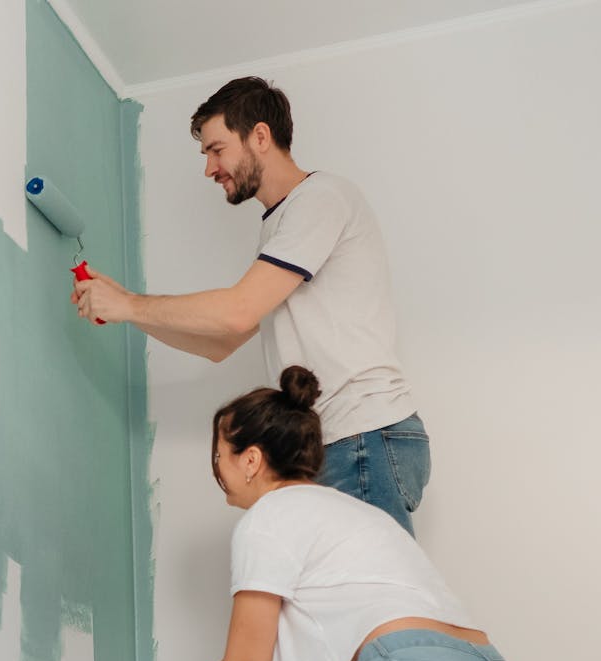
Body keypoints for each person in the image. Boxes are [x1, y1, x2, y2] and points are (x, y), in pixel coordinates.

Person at [118, 366, 535, 661]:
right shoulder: (354, 516)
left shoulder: (268, 520)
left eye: (218, 456)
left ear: (250, 459)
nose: (217, 472)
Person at [72, 77, 429, 535]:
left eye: (216, 150)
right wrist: (126, 309)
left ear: (260, 136)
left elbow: (237, 310)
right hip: (345, 442)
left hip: (363, 437)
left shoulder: (319, 199)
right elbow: (219, 343)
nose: (209, 168)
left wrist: (129, 303)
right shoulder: (283, 226)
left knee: (367, 584)